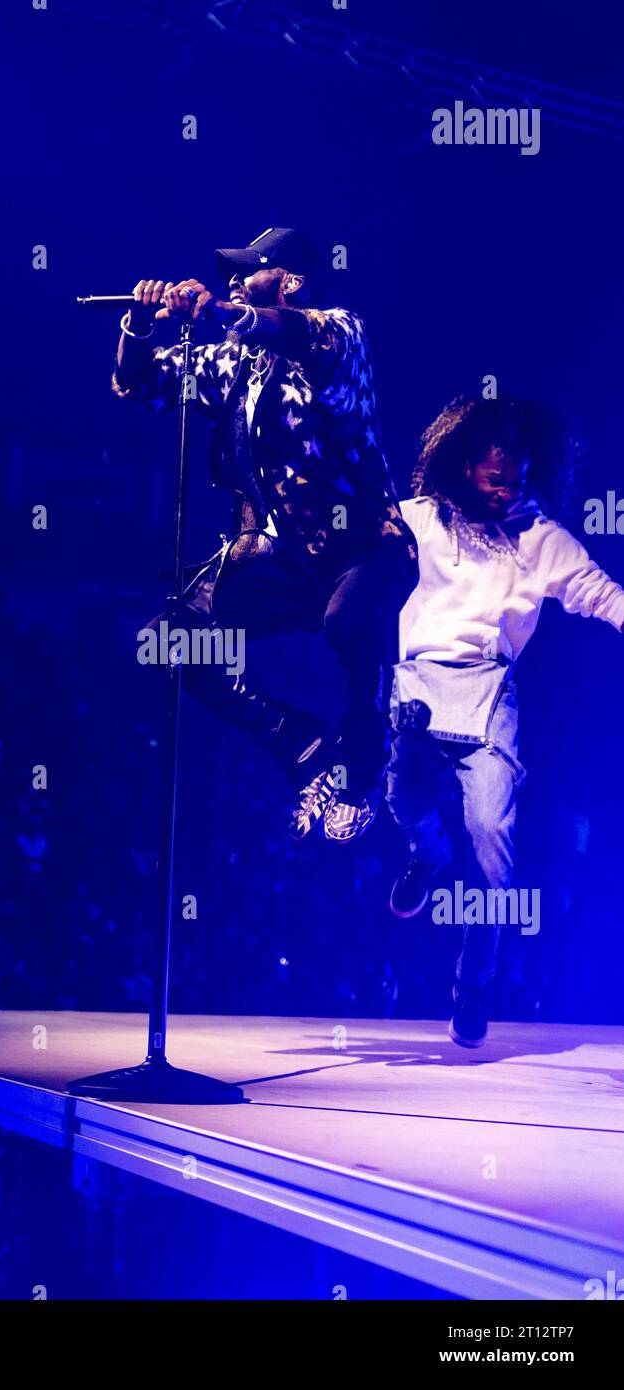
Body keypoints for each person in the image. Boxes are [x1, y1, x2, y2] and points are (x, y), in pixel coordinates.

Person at [113, 228, 417, 841]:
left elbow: (296, 333)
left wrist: (230, 312)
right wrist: (140, 325)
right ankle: (301, 744)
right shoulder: (235, 365)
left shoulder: (339, 331)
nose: (233, 279)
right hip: (286, 561)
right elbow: (141, 383)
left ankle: (364, 762)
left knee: (350, 622)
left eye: (251, 270)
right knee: (167, 642)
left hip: (364, 547)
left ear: (291, 281)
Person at [386, 394, 624, 1045]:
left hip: (491, 701)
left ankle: (473, 982)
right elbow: (344, 543)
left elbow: (602, 593)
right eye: (495, 480)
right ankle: (426, 854)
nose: (506, 491)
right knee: (405, 800)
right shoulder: (420, 520)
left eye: (517, 480)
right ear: (464, 467)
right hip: (418, 687)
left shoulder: (542, 540)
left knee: (493, 845)